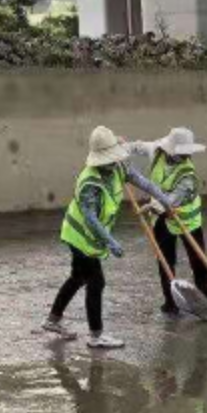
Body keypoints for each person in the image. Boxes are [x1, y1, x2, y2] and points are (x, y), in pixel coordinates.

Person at [42, 126, 174, 348]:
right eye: (110, 160)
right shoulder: (89, 183)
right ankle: (96, 336)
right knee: (96, 282)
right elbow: (91, 219)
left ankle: (52, 320)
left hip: (88, 236)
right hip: (80, 236)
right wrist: (110, 242)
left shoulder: (119, 167)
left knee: (77, 277)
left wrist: (164, 198)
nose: (114, 163)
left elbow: (144, 182)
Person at [126, 127, 207, 315]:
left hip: (187, 219)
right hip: (161, 220)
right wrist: (121, 148)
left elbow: (172, 200)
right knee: (165, 261)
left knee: (199, 261)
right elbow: (138, 147)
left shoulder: (188, 175)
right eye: (181, 152)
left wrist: (153, 207)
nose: (185, 156)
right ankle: (171, 302)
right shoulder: (157, 150)